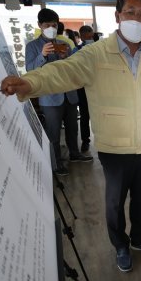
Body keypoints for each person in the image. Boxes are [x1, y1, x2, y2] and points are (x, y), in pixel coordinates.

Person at [1, 0, 141, 273]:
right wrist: (30, 83)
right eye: (130, 12)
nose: (136, 19)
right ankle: (121, 245)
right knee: (115, 203)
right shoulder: (96, 53)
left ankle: (139, 238)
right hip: (114, 145)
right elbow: (64, 71)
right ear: (117, 16)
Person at [25, 9, 91, 176]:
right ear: (40, 25)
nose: (51, 28)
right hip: (50, 98)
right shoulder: (32, 47)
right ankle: (56, 164)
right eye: (47, 25)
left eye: (54, 25)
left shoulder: (66, 45)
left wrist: (64, 58)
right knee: (53, 133)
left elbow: (72, 69)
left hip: (68, 94)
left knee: (72, 129)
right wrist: (42, 55)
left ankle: (75, 154)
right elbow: (30, 70)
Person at [75, 24, 96, 153]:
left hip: (99, 86)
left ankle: (104, 138)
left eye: (90, 35)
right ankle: (85, 140)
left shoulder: (100, 48)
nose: (88, 38)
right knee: (84, 115)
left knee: (102, 114)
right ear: (81, 36)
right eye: (85, 36)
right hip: (83, 88)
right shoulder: (77, 50)